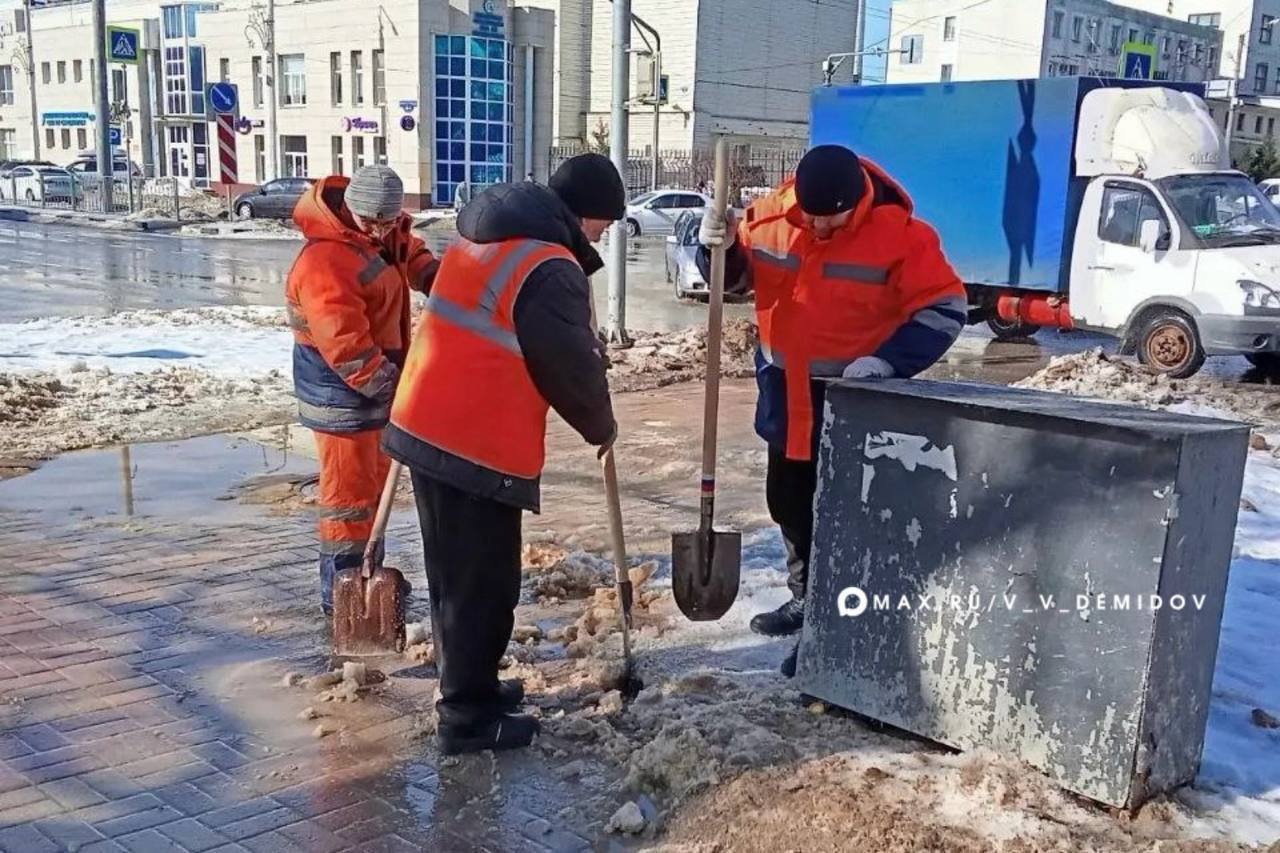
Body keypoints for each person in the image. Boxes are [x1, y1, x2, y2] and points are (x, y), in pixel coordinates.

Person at [383, 153, 622, 754]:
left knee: (455, 579)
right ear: (586, 214)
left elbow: (508, 327)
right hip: (473, 441)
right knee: (481, 587)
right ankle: (468, 718)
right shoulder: (547, 264)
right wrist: (602, 425)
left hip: (430, 423)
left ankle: (471, 686)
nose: (605, 235)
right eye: (606, 223)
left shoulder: (489, 237)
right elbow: (566, 368)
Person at [698, 144, 966, 677]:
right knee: (789, 503)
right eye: (811, 216)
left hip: (854, 401)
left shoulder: (902, 237)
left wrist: (888, 363)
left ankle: (831, 627)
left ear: (858, 201)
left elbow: (945, 307)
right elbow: (735, 282)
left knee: (845, 518)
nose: (819, 228)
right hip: (784, 391)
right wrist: (719, 249)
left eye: (831, 219)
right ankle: (804, 596)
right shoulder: (772, 216)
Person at [285, 165, 439, 616]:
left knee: (373, 491)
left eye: (388, 221)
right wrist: (393, 391)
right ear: (352, 211)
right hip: (341, 395)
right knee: (347, 503)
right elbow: (347, 347)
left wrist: (439, 279)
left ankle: (369, 575)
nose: (380, 229)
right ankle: (342, 595)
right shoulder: (325, 261)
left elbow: (410, 254)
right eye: (371, 221)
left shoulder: (381, 236)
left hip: (375, 391)